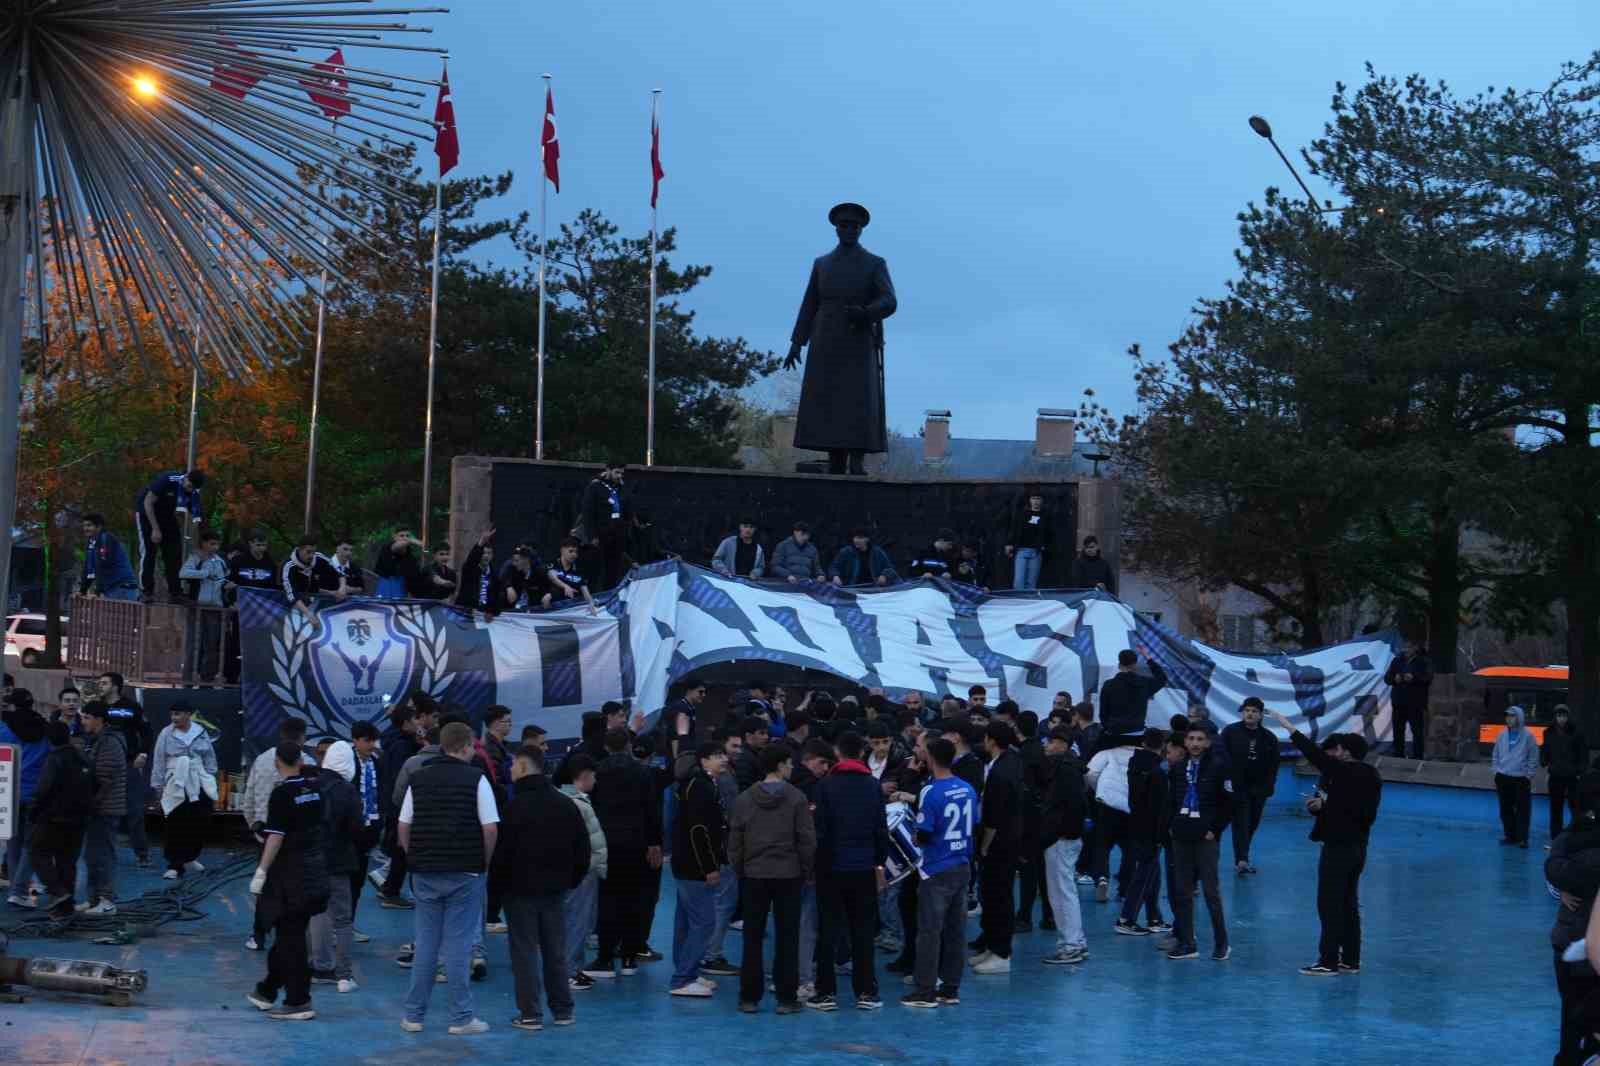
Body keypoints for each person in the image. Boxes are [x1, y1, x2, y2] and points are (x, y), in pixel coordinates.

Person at [397, 721, 500, 1036]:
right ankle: (461, 1018)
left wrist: (412, 856)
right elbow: (490, 828)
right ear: (467, 745)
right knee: (458, 946)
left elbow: (404, 824)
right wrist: (483, 862)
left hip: (425, 872)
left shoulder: (419, 778)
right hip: (465, 873)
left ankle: (413, 1016)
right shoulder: (477, 779)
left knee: (426, 943)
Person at [1265, 711, 1383, 978]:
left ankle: (1328, 960)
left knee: (1329, 903)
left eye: (1338, 750)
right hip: (1359, 847)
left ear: (1346, 752)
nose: (1333, 754)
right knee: (1349, 903)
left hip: (1339, 847)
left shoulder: (1344, 771)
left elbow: (1315, 755)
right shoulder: (1370, 775)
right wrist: (1323, 806)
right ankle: (1351, 959)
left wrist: (1289, 727)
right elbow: (1349, 805)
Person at [784, 201, 897, 476]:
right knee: (827, 400)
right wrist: (797, 342)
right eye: (844, 225)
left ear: (861, 230)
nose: (849, 230)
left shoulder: (874, 263)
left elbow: (890, 300)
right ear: (836, 228)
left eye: (854, 226)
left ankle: (857, 462)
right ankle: (834, 459)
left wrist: (866, 312)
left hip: (858, 340)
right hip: (825, 340)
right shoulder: (822, 264)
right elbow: (809, 303)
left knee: (857, 401)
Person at [501, 744, 589, 1030]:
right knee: (556, 949)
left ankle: (530, 1013)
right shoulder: (566, 804)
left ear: (525, 768)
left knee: (524, 951)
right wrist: (569, 881)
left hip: (519, 891)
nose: (511, 769)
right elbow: (582, 851)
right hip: (556, 890)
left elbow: (502, 853)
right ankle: (563, 1010)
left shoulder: (514, 808)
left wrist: (496, 892)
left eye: (514, 764)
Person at [728, 744, 816, 1013]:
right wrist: (806, 870)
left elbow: (735, 840)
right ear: (780, 765)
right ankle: (787, 998)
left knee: (753, 936)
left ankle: (749, 997)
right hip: (788, 874)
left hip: (755, 874)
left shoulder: (744, 799)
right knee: (787, 935)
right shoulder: (797, 798)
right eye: (789, 764)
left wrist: (741, 868)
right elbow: (806, 840)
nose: (792, 768)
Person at [246, 742, 330, 1022]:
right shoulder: (316, 790)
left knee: (290, 938)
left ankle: (298, 1001)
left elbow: (277, 836)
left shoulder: (282, 793)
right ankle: (267, 990)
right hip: (315, 871)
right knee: (289, 935)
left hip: (290, 877)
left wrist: (261, 871)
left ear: (276, 763)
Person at [809, 731, 890, 1011]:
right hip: (864, 866)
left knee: (828, 929)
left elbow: (819, 830)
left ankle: (826, 991)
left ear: (838, 753)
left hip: (831, 867)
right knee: (863, 930)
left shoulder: (825, 786)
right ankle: (866, 991)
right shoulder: (872, 785)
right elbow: (882, 829)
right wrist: (879, 863)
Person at [903, 737, 978, 1008]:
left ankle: (925, 991)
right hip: (962, 864)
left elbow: (923, 834)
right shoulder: (967, 788)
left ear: (931, 759)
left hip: (936, 868)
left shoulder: (931, 792)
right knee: (956, 930)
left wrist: (914, 837)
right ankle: (950, 988)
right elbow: (974, 823)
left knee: (929, 931)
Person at [585, 728, 663, 979]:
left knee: (608, 900)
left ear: (606, 747)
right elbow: (652, 809)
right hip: (637, 843)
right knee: (634, 898)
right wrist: (654, 843)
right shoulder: (642, 772)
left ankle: (606, 958)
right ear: (629, 745)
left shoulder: (597, 771)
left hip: (606, 843)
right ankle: (629, 957)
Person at [1545, 776, 1600, 1065]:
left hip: (1569, 942)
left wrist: (1562, 887)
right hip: (1584, 946)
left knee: (1571, 1018)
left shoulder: (1567, 841)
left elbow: (1553, 877)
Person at [669, 741, 728, 998]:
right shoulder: (701, 787)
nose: (723, 758)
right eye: (717, 755)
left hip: (684, 863)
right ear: (703, 761)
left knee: (685, 921)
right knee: (704, 922)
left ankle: (687, 972)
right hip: (695, 867)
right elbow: (699, 830)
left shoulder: (691, 784)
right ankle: (682, 977)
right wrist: (709, 867)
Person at [1167, 724, 1231, 961]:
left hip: (1205, 837)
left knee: (1210, 891)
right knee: (1182, 891)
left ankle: (1221, 942)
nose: (1195, 743)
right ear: (1185, 742)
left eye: (1200, 739)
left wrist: (1215, 829)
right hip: (1181, 835)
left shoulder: (1219, 767)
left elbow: (1229, 803)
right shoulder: (1178, 768)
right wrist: (1171, 827)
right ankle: (1187, 942)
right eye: (1191, 738)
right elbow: (1171, 800)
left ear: (1207, 743)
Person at [308, 741, 363, 993]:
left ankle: (321, 966)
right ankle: (344, 975)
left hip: (312, 859)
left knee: (317, 913)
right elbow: (356, 829)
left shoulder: (311, 784)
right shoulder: (347, 791)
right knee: (342, 919)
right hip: (339, 861)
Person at [970, 722, 1023, 974]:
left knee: (998, 896)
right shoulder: (1011, 761)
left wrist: (984, 847)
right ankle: (992, 946)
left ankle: (1001, 953)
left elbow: (993, 817)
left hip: (1000, 844)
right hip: (1011, 839)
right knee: (993, 896)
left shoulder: (1000, 773)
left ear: (991, 740)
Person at [29, 721, 95, 917]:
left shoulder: (54, 758)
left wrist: (34, 811)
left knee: (37, 852)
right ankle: (65, 907)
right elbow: (95, 783)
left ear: (49, 739)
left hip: (53, 818)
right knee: (67, 861)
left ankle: (58, 892)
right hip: (79, 819)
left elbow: (43, 790)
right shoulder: (82, 757)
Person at [1038, 726, 1089, 965]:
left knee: (1061, 893)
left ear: (1061, 744)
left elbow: (1069, 806)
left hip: (1061, 839)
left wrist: (1056, 833)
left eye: (1050, 742)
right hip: (1065, 838)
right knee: (1064, 892)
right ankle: (1075, 942)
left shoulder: (1064, 771)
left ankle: (1071, 945)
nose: (1046, 746)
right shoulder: (1071, 768)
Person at [149, 701, 217, 880]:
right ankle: (175, 864)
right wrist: (158, 785)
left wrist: (210, 778)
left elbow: (210, 756)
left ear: (189, 714)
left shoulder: (200, 731)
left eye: (178, 714)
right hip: (175, 779)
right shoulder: (166, 733)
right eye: (172, 714)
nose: (174, 718)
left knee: (199, 819)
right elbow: (159, 759)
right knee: (175, 820)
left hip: (198, 777)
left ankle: (191, 857)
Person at [559, 754, 608, 992]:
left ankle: (572, 968)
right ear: (585, 776)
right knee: (578, 921)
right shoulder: (577, 803)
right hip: (583, 872)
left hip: (577, 871)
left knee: (575, 920)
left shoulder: (565, 799)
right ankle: (569, 970)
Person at [1115, 729, 1171, 935]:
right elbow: (1159, 808)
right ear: (1162, 746)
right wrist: (1161, 835)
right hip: (1151, 830)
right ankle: (1126, 918)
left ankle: (1154, 917)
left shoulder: (1135, 765)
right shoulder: (1158, 772)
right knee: (1145, 874)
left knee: (1152, 874)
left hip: (1136, 824)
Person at [1219, 697, 1280, 875]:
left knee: (1252, 824)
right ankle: (1242, 860)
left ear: (1261, 715)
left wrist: (1269, 786)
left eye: (1254, 711)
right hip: (1237, 788)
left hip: (1259, 789)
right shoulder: (1230, 732)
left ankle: (1242, 856)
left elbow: (1274, 764)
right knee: (1241, 823)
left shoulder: (1269, 737)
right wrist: (1225, 781)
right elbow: (1221, 757)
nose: (1250, 714)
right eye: (1247, 710)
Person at [98, 672, 151, 868]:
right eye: (99, 683)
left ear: (115, 686)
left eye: (104, 683)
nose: (100, 686)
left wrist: (143, 753)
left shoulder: (131, 707)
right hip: (103, 767)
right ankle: (105, 853)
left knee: (134, 811)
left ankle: (142, 854)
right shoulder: (98, 707)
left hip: (128, 765)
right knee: (102, 812)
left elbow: (146, 731)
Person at [1, 691, 49, 908]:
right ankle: (20, 889)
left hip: (9, 792)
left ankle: (15, 890)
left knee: (13, 843)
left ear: (13, 706)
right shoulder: (45, 729)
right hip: (35, 794)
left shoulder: (4, 729)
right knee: (32, 844)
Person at [77, 703, 125, 915]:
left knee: (103, 855)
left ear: (99, 719)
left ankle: (106, 901)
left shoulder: (110, 742)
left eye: (87, 717)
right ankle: (94, 898)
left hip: (105, 809)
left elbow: (105, 778)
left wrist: (93, 803)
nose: (84, 721)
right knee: (91, 856)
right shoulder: (97, 741)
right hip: (97, 808)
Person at [134, 468, 206, 600]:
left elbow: (197, 520)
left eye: (193, 489)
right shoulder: (167, 480)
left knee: (174, 552)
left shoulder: (193, 493)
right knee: (149, 551)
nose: (189, 490)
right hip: (147, 513)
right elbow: (148, 502)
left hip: (168, 516)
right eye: (189, 486)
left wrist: (198, 546)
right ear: (186, 478)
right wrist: (155, 529)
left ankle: (175, 592)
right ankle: (146, 591)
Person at [1084, 732, 1137, 905]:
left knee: (1102, 845)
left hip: (1107, 805)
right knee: (1129, 849)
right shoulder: (1141, 754)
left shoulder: (1107, 753)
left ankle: (1101, 877)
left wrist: (1099, 788)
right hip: (1131, 808)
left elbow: (1090, 773)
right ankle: (1124, 888)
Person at [226, 530, 279, 682]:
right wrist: (231, 603)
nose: (261, 549)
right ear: (250, 544)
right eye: (258, 545)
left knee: (259, 646)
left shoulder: (270, 562)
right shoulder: (238, 561)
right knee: (237, 644)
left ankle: (255, 678)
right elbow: (229, 584)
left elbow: (274, 588)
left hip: (261, 614)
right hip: (241, 611)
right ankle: (231, 678)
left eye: (264, 545)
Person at [179, 530, 230, 680]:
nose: (215, 547)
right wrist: (203, 573)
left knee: (212, 646)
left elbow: (223, 578)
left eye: (217, 544)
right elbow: (183, 573)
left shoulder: (220, 560)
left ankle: (206, 680)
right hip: (197, 607)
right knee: (193, 645)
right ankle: (187, 679)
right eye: (212, 543)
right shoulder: (196, 558)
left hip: (215, 609)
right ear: (204, 544)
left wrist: (227, 585)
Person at [576, 461, 628, 590]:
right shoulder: (595, 486)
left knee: (614, 569)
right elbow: (588, 513)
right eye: (617, 472)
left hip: (616, 534)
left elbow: (626, 508)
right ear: (608, 470)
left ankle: (609, 595)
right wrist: (592, 536)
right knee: (597, 569)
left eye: (622, 473)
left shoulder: (620, 487)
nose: (619, 476)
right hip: (600, 534)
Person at [1098, 649, 1169, 743]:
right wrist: (1148, 658)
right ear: (1135, 665)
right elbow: (1162, 678)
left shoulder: (1109, 685)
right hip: (1137, 733)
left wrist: (1109, 727)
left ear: (1119, 665)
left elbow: (1103, 713)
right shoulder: (1144, 683)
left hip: (1114, 733)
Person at [1493, 705, 1539, 848]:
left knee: (1523, 810)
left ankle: (1523, 838)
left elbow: (1534, 756)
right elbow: (1495, 754)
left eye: (1512, 716)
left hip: (1520, 778)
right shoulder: (1501, 735)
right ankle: (1510, 836)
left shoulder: (1528, 736)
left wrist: (1529, 775)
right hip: (1503, 777)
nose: (1509, 719)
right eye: (1507, 716)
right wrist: (1496, 771)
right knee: (1505, 809)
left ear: (1519, 717)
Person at [1383, 640, 1433, 759]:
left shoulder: (1423, 661)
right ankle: (1398, 754)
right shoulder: (1397, 660)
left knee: (1417, 730)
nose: (1405, 650)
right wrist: (1395, 678)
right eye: (1404, 647)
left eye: (1408, 647)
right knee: (1398, 730)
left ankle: (1417, 755)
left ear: (1415, 647)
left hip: (1415, 701)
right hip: (1398, 700)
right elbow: (1387, 678)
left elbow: (1428, 678)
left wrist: (1414, 678)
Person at [1547, 706, 1590, 841]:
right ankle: (1556, 835)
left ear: (1568, 716)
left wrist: (1580, 772)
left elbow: (1583, 754)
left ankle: (1575, 832)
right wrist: (1546, 762)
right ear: (1555, 716)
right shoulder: (1548, 732)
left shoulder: (1577, 733)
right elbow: (1546, 749)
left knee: (1575, 806)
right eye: (1559, 715)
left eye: (1564, 715)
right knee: (1555, 807)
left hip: (1572, 776)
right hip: (1555, 774)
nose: (1561, 718)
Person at [78, 512, 140, 600]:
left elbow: (103, 565)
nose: (85, 528)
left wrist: (97, 592)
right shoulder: (91, 543)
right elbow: (88, 568)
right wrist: (82, 591)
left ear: (99, 527)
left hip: (123, 587)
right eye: (84, 526)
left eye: (89, 525)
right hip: (111, 588)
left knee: (121, 613)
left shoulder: (106, 538)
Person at [281, 538, 341, 624]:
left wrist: (340, 589)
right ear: (299, 550)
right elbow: (291, 594)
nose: (311, 555)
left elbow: (339, 572)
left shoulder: (318, 557)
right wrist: (308, 614)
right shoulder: (289, 566)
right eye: (308, 552)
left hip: (312, 602)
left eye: (313, 552)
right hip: (291, 607)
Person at [1004, 489, 1051, 591]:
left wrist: (1045, 546)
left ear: (1042, 501)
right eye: (1033, 498)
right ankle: (1019, 603)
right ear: (1030, 500)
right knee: (1018, 581)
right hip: (1021, 550)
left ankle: (1029, 604)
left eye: (1038, 499)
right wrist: (1009, 544)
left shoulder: (1046, 515)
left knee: (1031, 583)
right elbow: (1014, 529)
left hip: (1036, 552)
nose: (1036, 501)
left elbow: (1050, 533)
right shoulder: (1022, 514)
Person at [455, 528, 503, 615]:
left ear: (492, 556)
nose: (486, 556)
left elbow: (496, 597)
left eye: (489, 553)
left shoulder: (494, 575)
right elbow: (471, 559)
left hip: (484, 617)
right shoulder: (469, 569)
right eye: (484, 553)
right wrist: (481, 542)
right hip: (466, 614)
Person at [829, 528, 898, 587]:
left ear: (867, 539)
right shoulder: (846, 552)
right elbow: (834, 567)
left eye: (860, 538)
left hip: (874, 588)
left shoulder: (877, 552)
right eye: (855, 537)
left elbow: (890, 568)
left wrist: (884, 575)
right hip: (851, 588)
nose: (856, 540)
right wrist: (835, 576)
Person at [546, 536, 597, 614]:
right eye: (571, 551)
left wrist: (591, 604)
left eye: (576, 552)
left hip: (571, 609)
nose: (574, 555)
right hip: (551, 608)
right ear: (562, 550)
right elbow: (552, 577)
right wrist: (565, 586)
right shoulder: (553, 563)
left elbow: (585, 591)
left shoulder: (578, 570)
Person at [374, 529, 423, 600]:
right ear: (394, 537)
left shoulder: (410, 555)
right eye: (401, 536)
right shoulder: (387, 547)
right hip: (387, 584)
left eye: (407, 536)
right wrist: (412, 540)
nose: (405, 538)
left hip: (403, 587)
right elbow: (397, 546)